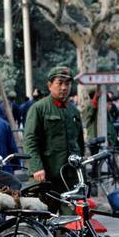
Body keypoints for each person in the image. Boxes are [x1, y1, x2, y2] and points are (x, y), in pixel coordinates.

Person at [23, 67, 85, 209]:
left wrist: (81, 169)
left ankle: (64, 233)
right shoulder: (39, 108)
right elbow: (30, 140)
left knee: (72, 218)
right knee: (46, 216)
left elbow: (79, 142)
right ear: (50, 85)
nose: (64, 88)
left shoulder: (73, 111)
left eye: (67, 84)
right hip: (47, 174)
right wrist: (36, 168)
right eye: (60, 83)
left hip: (70, 175)